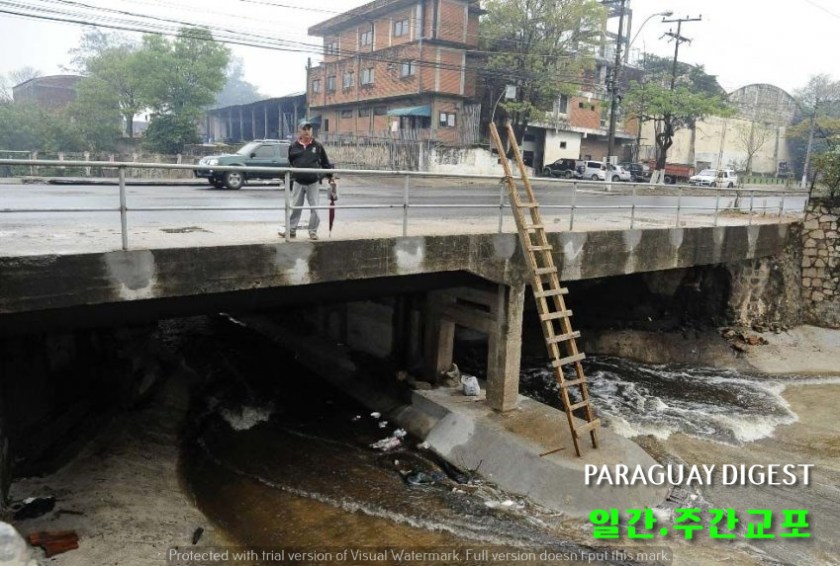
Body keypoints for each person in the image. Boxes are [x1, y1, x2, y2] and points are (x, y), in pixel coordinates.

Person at [279, 122, 336, 240]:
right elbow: (290, 162)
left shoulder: (318, 146)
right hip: (298, 182)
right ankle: (291, 231)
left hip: (313, 182)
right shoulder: (293, 146)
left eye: (309, 129)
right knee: (295, 207)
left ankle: (313, 232)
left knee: (315, 209)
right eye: (304, 129)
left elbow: (325, 163)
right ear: (299, 131)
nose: (307, 131)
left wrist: (330, 177)